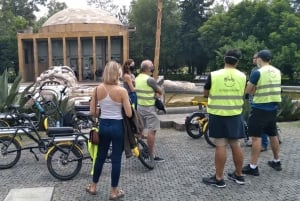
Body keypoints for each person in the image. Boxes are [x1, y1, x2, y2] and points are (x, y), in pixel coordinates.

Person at [87, 61, 132, 199]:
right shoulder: (122, 91)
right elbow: (129, 114)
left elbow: (92, 111)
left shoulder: (97, 89)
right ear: (117, 73)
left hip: (104, 126)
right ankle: (114, 192)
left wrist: (104, 108)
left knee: (100, 156)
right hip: (117, 126)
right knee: (116, 159)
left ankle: (93, 186)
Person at [202, 49, 246, 188]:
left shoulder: (214, 75)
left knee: (220, 145)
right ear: (237, 61)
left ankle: (219, 178)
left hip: (218, 114)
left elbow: (206, 93)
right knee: (236, 144)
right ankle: (239, 175)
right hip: (235, 114)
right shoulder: (243, 76)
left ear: (224, 59)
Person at [242, 49, 282, 176]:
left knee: (256, 137)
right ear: (270, 59)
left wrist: (255, 91)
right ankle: (277, 161)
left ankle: (253, 167)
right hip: (273, 108)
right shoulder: (277, 71)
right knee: (273, 134)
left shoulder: (257, 72)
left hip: (260, 108)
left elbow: (248, 90)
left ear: (259, 58)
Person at [135, 59, 164, 162]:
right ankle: (152, 155)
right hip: (149, 108)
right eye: (152, 66)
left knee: (140, 130)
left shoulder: (137, 78)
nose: (153, 67)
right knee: (152, 131)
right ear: (148, 68)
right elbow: (160, 91)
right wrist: (156, 93)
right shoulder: (149, 79)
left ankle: (137, 151)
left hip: (139, 107)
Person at [246, 53, 269, 152]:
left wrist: (248, 90)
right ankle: (255, 141)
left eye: (254, 58)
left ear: (259, 59)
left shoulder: (259, 71)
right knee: (254, 122)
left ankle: (263, 143)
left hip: (259, 100)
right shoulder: (254, 70)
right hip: (255, 99)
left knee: (260, 123)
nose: (253, 60)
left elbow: (253, 86)